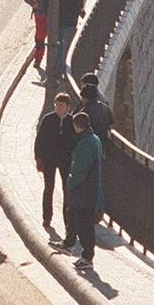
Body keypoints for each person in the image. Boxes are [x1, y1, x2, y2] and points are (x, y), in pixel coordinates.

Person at [22, 0, 84, 80]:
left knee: (64, 47)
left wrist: (75, 14)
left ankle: (61, 71)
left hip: (68, 21)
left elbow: (79, 0)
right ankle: (47, 67)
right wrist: (39, 7)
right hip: (48, 19)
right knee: (47, 41)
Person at [62, 112, 104, 269]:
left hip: (84, 191)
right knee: (74, 217)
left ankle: (87, 257)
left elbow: (79, 169)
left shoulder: (86, 143)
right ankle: (68, 244)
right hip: (89, 190)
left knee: (84, 224)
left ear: (76, 126)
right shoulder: (94, 139)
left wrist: (70, 184)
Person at [34, 92, 77, 238]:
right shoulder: (48, 119)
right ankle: (47, 216)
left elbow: (76, 141)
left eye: (61, 105)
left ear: (68, 107)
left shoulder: (72, 121)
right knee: (49, 187)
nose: (58, 108)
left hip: (65, 160)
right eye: (57, 105)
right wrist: (39, 158)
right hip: (49, 159)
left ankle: (68, 220)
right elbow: (39, 140)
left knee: (67, 190)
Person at [76, 72, 115, 138]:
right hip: (102, 139)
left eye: (82, 85)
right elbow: (111, 123)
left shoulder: (86, 109)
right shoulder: (104, 105)